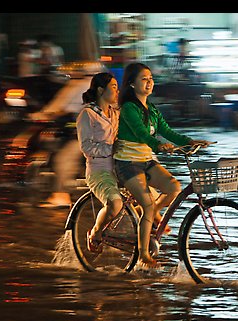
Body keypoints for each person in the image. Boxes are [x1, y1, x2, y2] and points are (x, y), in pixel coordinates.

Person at [114, 62, 209, 268]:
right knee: (148, 206)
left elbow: (168, 132)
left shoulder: (153, 109)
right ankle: (143, 255)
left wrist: (190, 141)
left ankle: (150, 216)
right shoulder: (129, 108)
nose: (149, 82)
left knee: (173, 187)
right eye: (144, 79)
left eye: (151, 78)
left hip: (145, 161)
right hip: (127, 163)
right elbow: (140, 133)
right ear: (131, 84)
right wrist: (158, 146)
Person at [76, 72, 123, 253]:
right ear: (101, 90)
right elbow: (86, 147)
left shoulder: (115, 113)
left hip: (119, 167)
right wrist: (112, 149)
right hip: (99, 171)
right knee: (115, 204)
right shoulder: (87, 115)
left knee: (148, 194)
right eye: (113, 87)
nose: (117, 91)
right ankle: (95, 232)